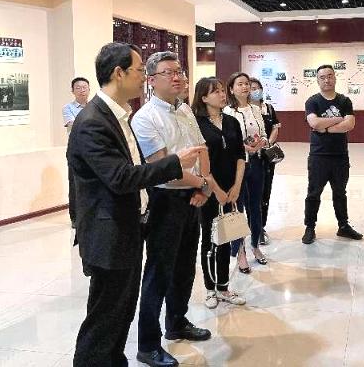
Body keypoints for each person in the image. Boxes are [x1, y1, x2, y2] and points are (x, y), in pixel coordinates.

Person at [67, 42, 203, 367]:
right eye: (140, 70)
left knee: (120, 312)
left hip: (126, 227)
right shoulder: (93, 122)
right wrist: (175, 163)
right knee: (104, 319)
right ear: (119, 73)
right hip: (107, 234)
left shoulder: (118, 116)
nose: (144, 77)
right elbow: (120, 177)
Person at [131, 52, 214, 367]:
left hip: (192, 196)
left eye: (179, 71)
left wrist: (203, 185)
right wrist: (201, 183)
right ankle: (147, 344)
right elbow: (162, 168)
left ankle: (177, 322)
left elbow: (202, 150)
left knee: (184, 267)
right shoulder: (145, 118)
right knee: (159, 272)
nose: (177, 77)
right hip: (165, 201)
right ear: (152, 80)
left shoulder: (185, 110)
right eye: (169, 72)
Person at [192, 77, 247, 309]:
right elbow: (199, 163)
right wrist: (215, 190)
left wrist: (236, 186)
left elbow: (240, 156)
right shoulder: (196, 123)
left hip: (231, 189)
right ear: (204, 97)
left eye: (223, 91)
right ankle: (209, 288)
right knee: (209, 238)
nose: (223, 95)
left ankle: (223, 287)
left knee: (225, 237)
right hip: (209, 190)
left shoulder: (232, 121)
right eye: (216, 92)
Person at [302, 64, 363, 244]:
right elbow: (314, 123)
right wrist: (338, 119)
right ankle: (310, 227)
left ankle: (343, 226)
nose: (326, 80)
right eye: (322, 77)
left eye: (330, 76)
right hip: (318, 156)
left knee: (340, 192)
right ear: (317, 80)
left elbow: (350, 124)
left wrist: (326, 128)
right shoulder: (312, 101)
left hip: (340, 156)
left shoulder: (345, 101)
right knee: (313, 193)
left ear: (335, 78)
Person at [223, 72, 268, 273]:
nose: (245, 87)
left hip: (256, 162)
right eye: (240, 84)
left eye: (247, 84)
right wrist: (244, 147)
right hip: (237, 166)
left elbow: (264, 134)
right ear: (231, 89)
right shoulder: (227, 112)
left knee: (256, 206)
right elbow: (227, 141)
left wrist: (262, 142)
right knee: (237, 208)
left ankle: (255, 245)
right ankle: (239, 250)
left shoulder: (256, 109)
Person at [248, 78, 281, 245]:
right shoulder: (243, 110)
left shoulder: (268, 108)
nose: (255, 91)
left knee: (265, 192)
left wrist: (268, 142)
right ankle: (252, 226)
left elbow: (275, 127)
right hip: (250, 156)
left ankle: (261, 227)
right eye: (251, 88)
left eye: (257, 88)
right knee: (251, 193)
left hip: (267, 156)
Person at [62, 77, 91, 227]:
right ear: (72, 91)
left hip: (93, 149)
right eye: (78, 88)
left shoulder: (94, 107)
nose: (82, 90)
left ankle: (90, 215)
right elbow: (73, 124)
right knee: (74, 184)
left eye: (84, 87)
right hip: (76, 150)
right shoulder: (68, 108)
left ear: (89, 89)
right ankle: (75, 217)